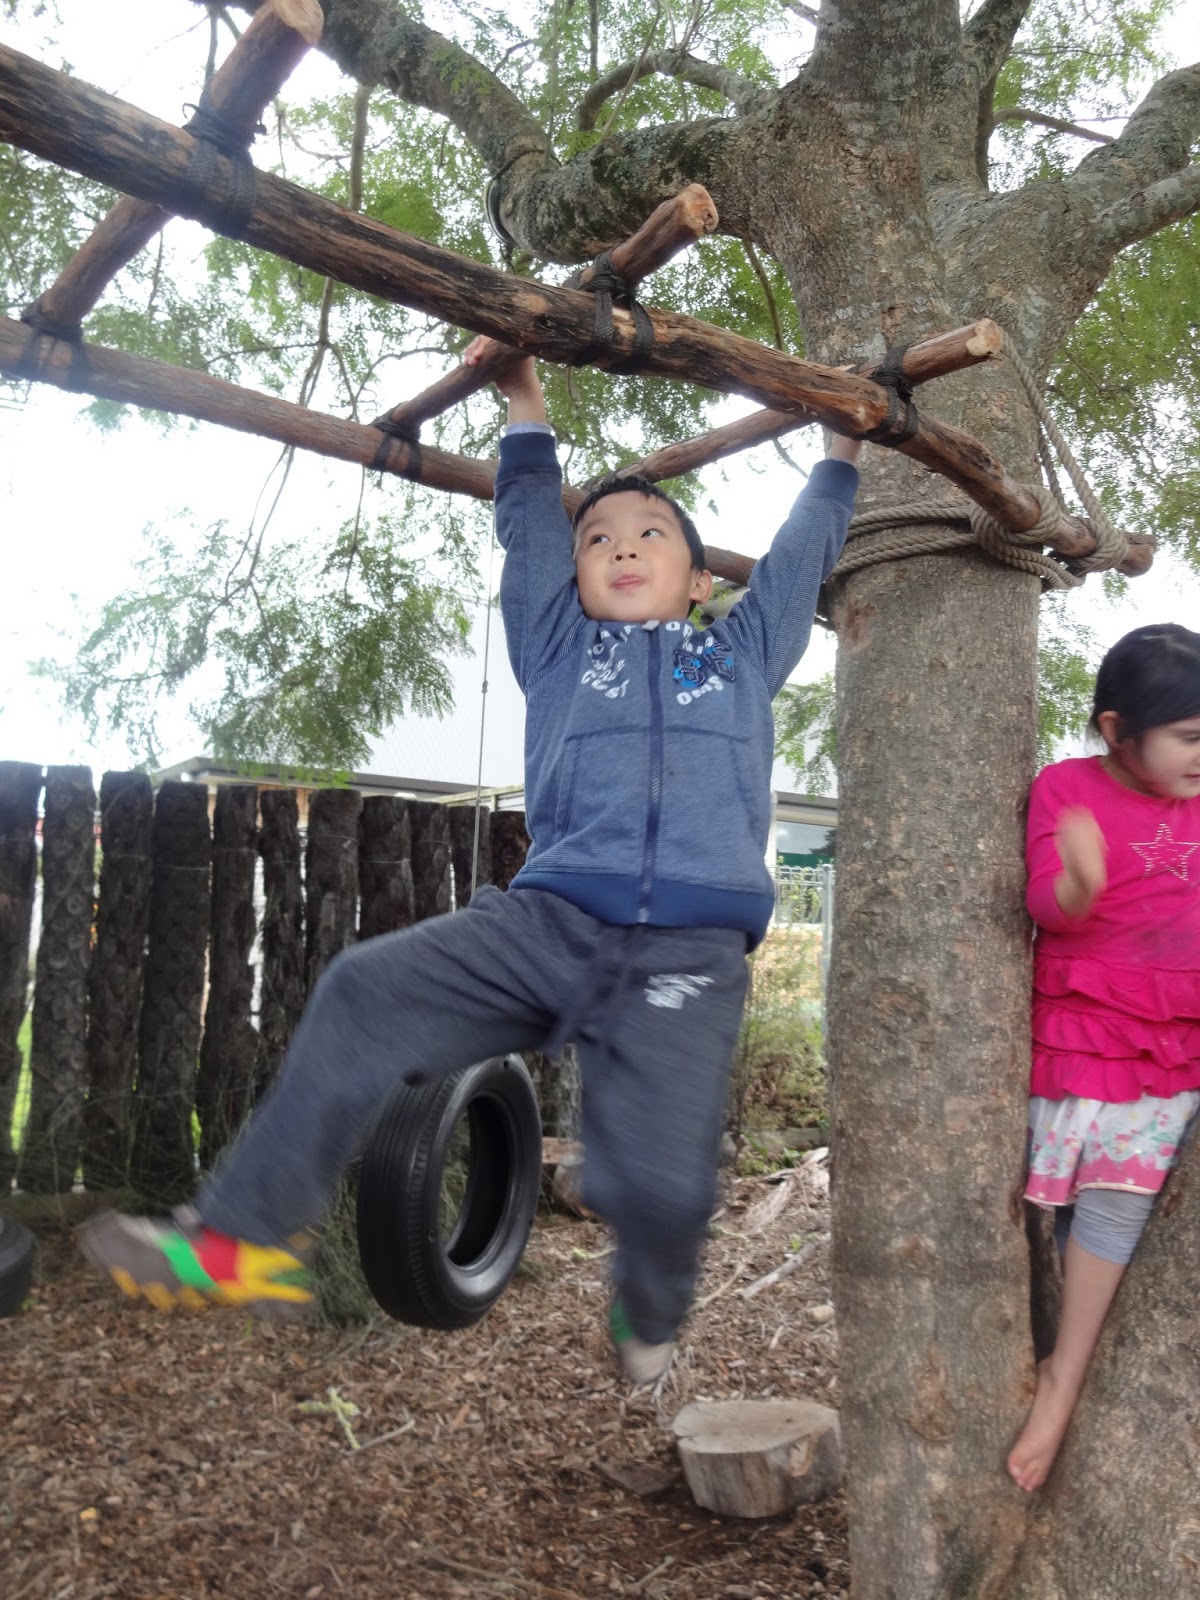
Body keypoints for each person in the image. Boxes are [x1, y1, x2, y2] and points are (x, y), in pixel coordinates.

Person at [79, 340, 862, 1385]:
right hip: (545, 928)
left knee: (663, 1187)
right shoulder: (555, 648)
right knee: (362, 987)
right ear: (576, 573)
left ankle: (649, 1315)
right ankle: (239, 1237)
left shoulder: (743, 655)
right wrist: (524, 402)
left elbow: (805, 549)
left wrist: (842, 446)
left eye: (649, 535)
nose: (620, 547)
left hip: (688, 951)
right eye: (599, 539)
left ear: (700, 576)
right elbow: (529, 528)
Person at [1007, 623, 1200, 1490]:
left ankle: (1062, 1376)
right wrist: (1081, 884)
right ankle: (1059, 1378)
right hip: (1096, 1029)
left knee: (1114, 1214)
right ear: (1118, 730)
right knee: (1100, 1210)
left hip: (1184, 1030)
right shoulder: (1066, 787)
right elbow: (1050, 902)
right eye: (1191, 738)